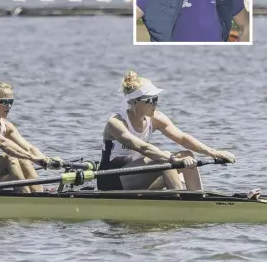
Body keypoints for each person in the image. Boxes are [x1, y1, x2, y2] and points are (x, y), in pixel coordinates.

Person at [98, 71, 236, 191]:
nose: (155, 104)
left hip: (136, 175)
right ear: (134, 102)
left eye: (156, 99)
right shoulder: (116, 123)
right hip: (111, 180)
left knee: (186, 155)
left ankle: (197, 198)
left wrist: (213, 153)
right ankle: (180, 201)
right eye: (150, 100)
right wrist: (171, 159)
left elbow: (182, 138)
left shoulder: (156, 118)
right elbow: (143, 148)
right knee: (163, 159)